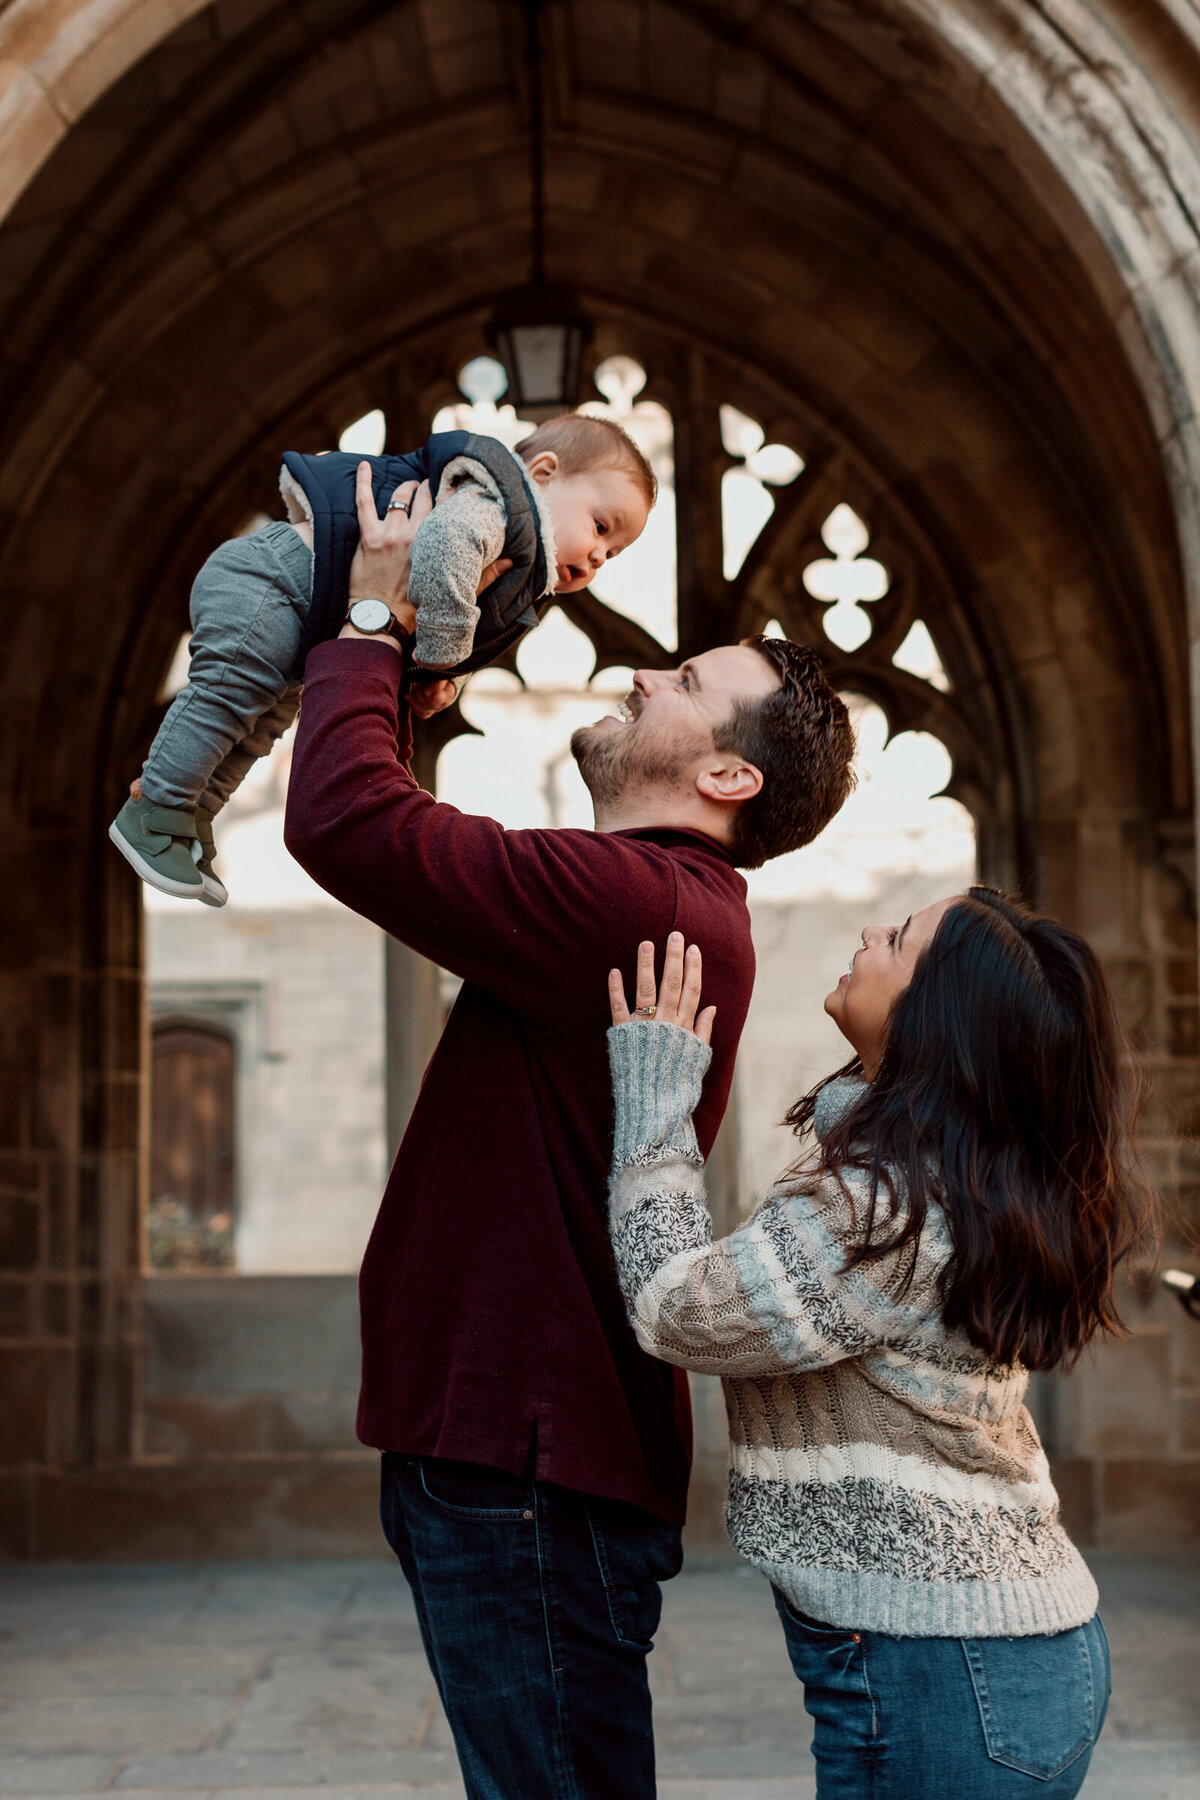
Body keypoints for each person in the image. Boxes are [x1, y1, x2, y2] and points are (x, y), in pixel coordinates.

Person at [281, 473, 856, 1800]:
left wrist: (371, 628)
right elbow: (405, 830)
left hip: (526, 1469)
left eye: (688, 680)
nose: (645, 671)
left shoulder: (639, 901)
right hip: (513, 1461)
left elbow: (350, 827)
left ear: (725, 771)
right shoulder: (640, 900)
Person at [605, 895, 1156, 1799]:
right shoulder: (944, 1181)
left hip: (950, 1678)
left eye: (896, 940)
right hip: (1005, 1658)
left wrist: (657, 1097)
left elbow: (676, 1307)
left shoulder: (888, 1208)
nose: (868, 935)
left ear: (937, 1017)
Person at [110, 412, 653, 906]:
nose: (601, 554)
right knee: (228, 696)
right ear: (542, 474)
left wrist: (441, 681)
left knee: (262, 724)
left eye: (616, 552)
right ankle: (154, 811)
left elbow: (429, 601)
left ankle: (193, 818)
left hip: (300, 615)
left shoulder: (520, 560)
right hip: (271, 582)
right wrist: (444, 658)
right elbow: (443, 548)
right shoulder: (497, 504)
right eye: (602, 527)